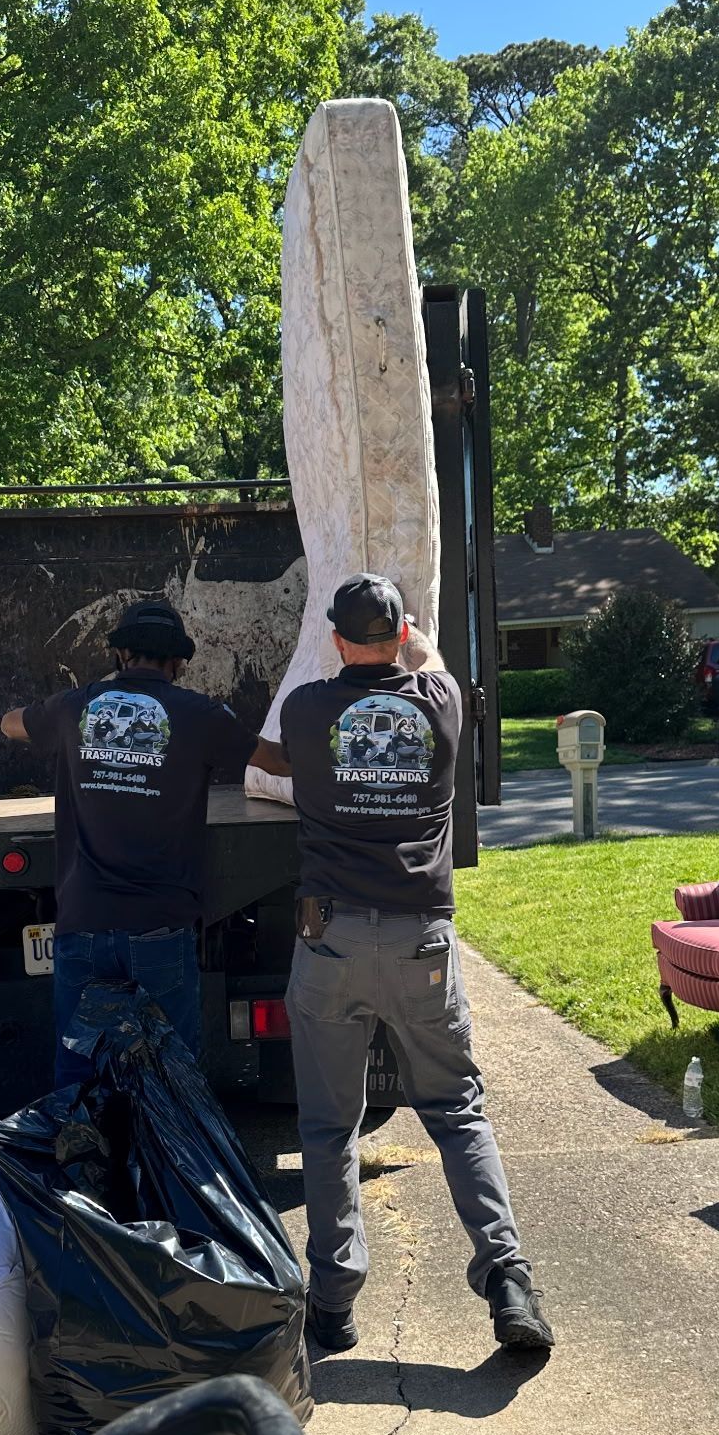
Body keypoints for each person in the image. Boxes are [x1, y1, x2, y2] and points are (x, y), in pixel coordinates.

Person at [259, 572, 554, 1356]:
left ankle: (334, 1303)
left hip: (330, 941)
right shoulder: (442, 701)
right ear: (400, 634)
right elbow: (428, 658)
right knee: (455, 1110)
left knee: (330, 1127)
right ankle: (509, 1280)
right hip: (422, 940)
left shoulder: (307, 709)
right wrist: (411, 636)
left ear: (334, 640)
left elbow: (275, 758)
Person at [1, 598, 258, 1079]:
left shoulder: (75, 706)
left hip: (83, 923)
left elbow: (10, 724)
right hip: (160, 927)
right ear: (178, 661)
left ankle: (83, 1130)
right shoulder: (202, 715)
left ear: (121, 654)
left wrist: (49, 718)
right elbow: (274, 760)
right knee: (170, 1074)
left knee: (79, 1072)